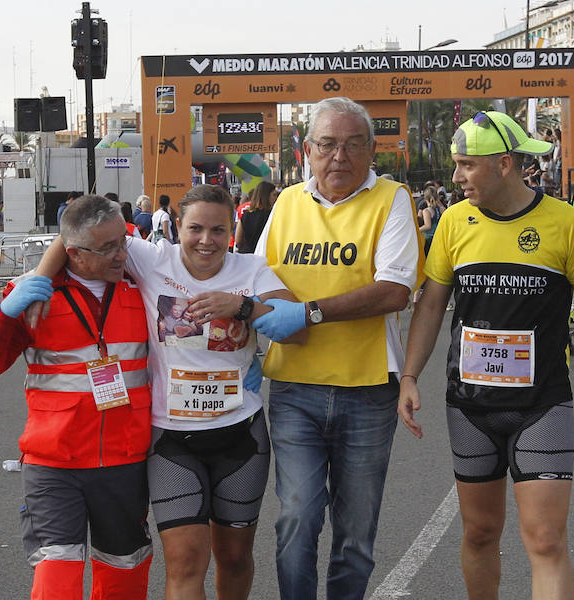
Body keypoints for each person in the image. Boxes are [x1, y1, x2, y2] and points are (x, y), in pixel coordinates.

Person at [31, 185, 304, 600]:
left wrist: (243, 307)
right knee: (184, 561)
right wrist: (38, 281)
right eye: (195, 228)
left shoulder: (253, 269)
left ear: (232, 230)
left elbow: (297, 327)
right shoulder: (151, 258)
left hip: (240, 434)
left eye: (218, 229)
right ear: (177, 227)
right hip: (172, 439)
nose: (206, 241)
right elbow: (72, 238)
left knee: (232, 558)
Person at [398, 111, 574, 600]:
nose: (456, 177)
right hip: (470, 406)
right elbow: (432, 303)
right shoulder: (454, 222)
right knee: (480, 533)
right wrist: (409, 376)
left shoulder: (564, 222)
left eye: (465, 165)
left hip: (541, 404)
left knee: (545, 540)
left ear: (504, 164)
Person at [250, 96, 423, 600]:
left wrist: (308, 312)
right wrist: (273, 305)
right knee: (297, 516)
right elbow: (258, 276)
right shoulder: (285, 203)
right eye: (327, 145)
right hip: (295, 387)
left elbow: (395, 289)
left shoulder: (392, 199)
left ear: (373, 150)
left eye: (353, 145)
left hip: (367, 390)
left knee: (355, 534)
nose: (339, 157)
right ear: (308, 149)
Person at [0, 195, 154, 599]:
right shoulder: (34, 296)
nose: (122, 254)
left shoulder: (142, 283)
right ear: (74, 252)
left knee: (125, 572)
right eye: (108, 249)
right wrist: (6, 314)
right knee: (57, 574)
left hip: (124, 463)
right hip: (54, 464)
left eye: (123, 242)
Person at [234, 181, 277, 254]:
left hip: (246, 255)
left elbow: (238, 240)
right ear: (266, 196)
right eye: (274, 195)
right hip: (265, 255)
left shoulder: (246, 214)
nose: (276, 198)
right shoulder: (273, 215)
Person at [419, 185, 444, 255]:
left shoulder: (426, 211)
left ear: (425, 198)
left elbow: (428, 226)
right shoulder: (439, 209)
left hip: (429, 239)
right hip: (438, 237)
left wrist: (417, 230)